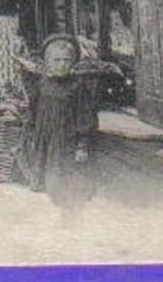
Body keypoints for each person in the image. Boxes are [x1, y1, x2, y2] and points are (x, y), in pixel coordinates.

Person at [17, 34, 101, 220]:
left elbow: (85, 117)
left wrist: (82, 145)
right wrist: (29, 130)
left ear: (72, 63)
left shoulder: (78, 87)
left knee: (63, 177)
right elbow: (33, 109)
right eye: (56, 60)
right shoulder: (42, 83)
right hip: (44, 136)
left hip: (66, 139)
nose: (61, 64)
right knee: (42, 170)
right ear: (47, 62)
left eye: (66, 60)